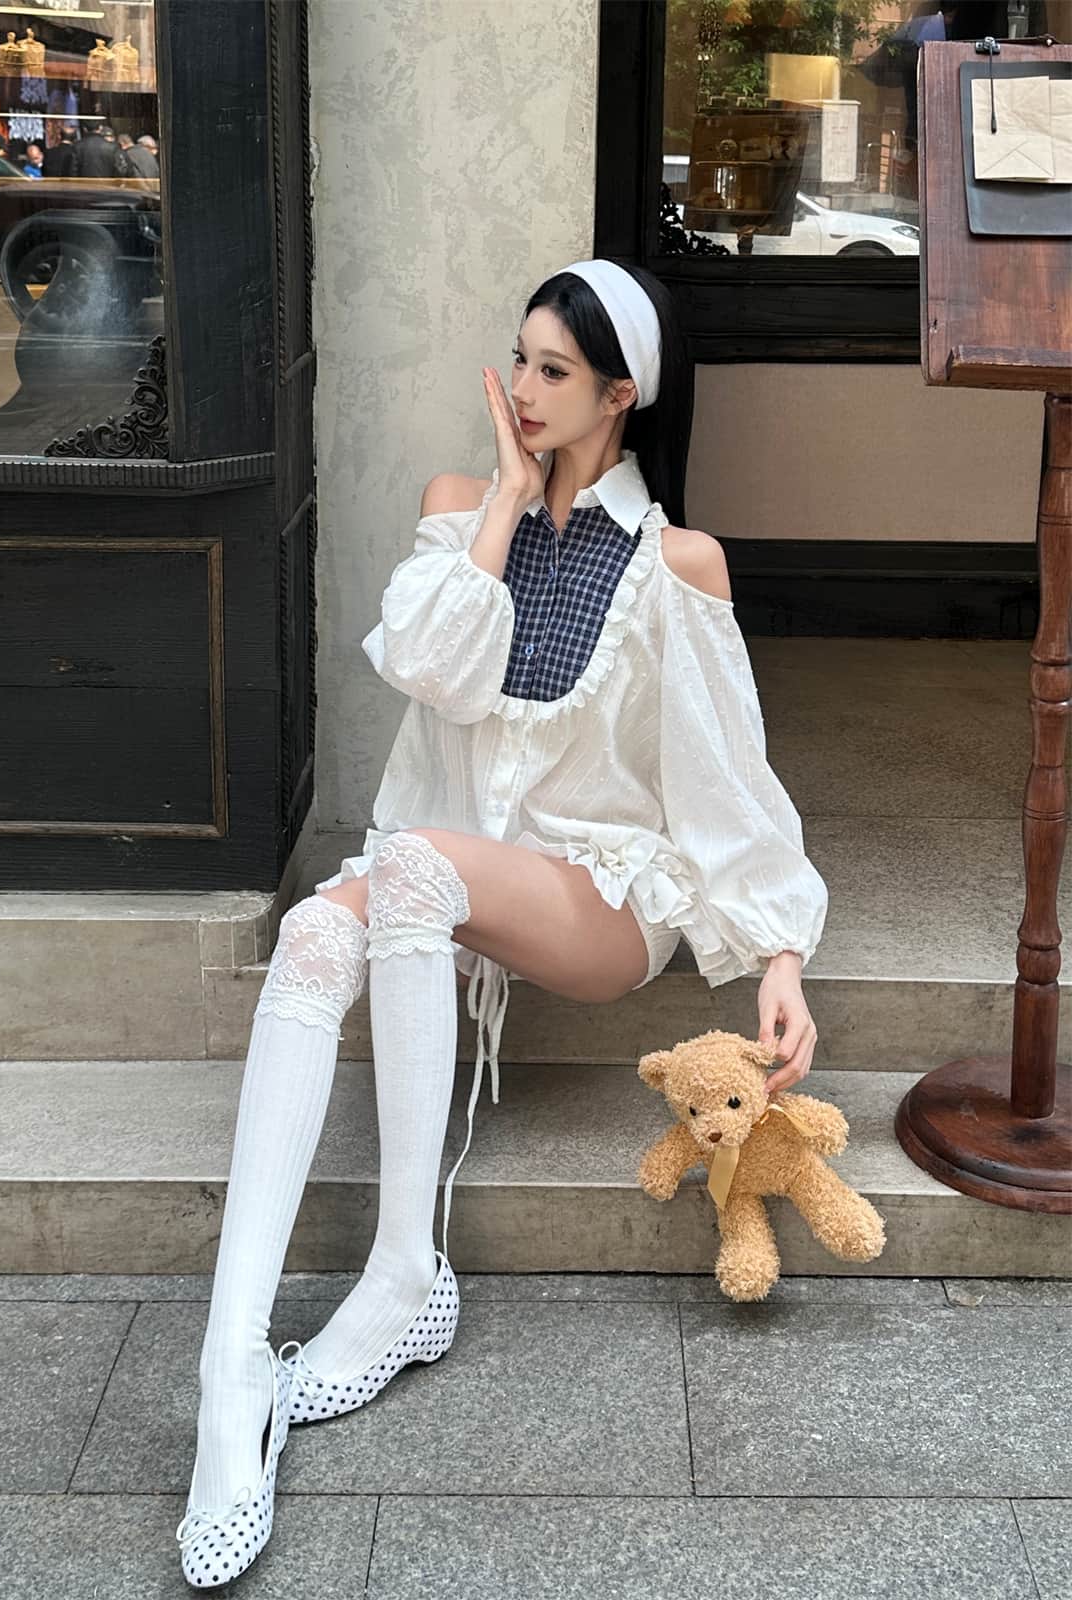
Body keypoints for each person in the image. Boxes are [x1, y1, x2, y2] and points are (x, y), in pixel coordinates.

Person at [174, 258, 828, 1589]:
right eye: (519, 359)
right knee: (317, 934)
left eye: (554, 371)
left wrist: (782, 953)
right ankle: (229, 1367)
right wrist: (506, 510)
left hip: (600, 900)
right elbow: (432, 672)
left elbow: (729, 780)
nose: (522, 390)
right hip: (453, 874)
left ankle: (403, 1272)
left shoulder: (676, 564)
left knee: (411, 866)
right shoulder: (458, 511)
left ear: (620, 395)